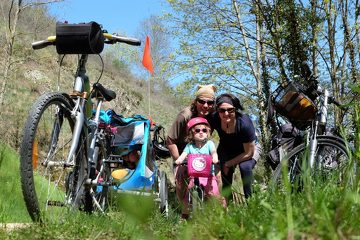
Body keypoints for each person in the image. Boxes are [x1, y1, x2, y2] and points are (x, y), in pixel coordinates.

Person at [166, 84, 217, 219]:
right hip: (183, 150)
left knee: (217, 174)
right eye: (202, 101)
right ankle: (184, 212)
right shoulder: (185, 115)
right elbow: (170, 140)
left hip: (204, 151)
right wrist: (180, 162)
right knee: (181, 179)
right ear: (196, 101)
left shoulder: (213, 116)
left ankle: (216, 206)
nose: (206, 105)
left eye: (210, 102)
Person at [209, 93, 257, 204]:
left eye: (230, 110)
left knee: (245, 167)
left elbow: (249, 152)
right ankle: (228, 206)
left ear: (235, 109)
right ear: (217, 110)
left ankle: (251, 203)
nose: (226, 113)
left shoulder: (244, 123)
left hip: (249, 149)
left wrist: (229, 163)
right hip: (227, 147)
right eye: (222, 110)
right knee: (225, 176)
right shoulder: (215, 118)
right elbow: (205, 132)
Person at [175, 117, 220, 219]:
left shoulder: (209, 144)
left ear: (207, 132)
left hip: (208, 175)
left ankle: (218, 213)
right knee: (188, 194)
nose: (201, 132)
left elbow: (213, 152)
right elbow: (184, 154)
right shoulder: (190, 146)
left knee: (214, 193)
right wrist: (179, 160)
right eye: (197, 130)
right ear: (192, 133)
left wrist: (215, 157)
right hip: (194, 175)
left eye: (204, 130)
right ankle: (185, 215)